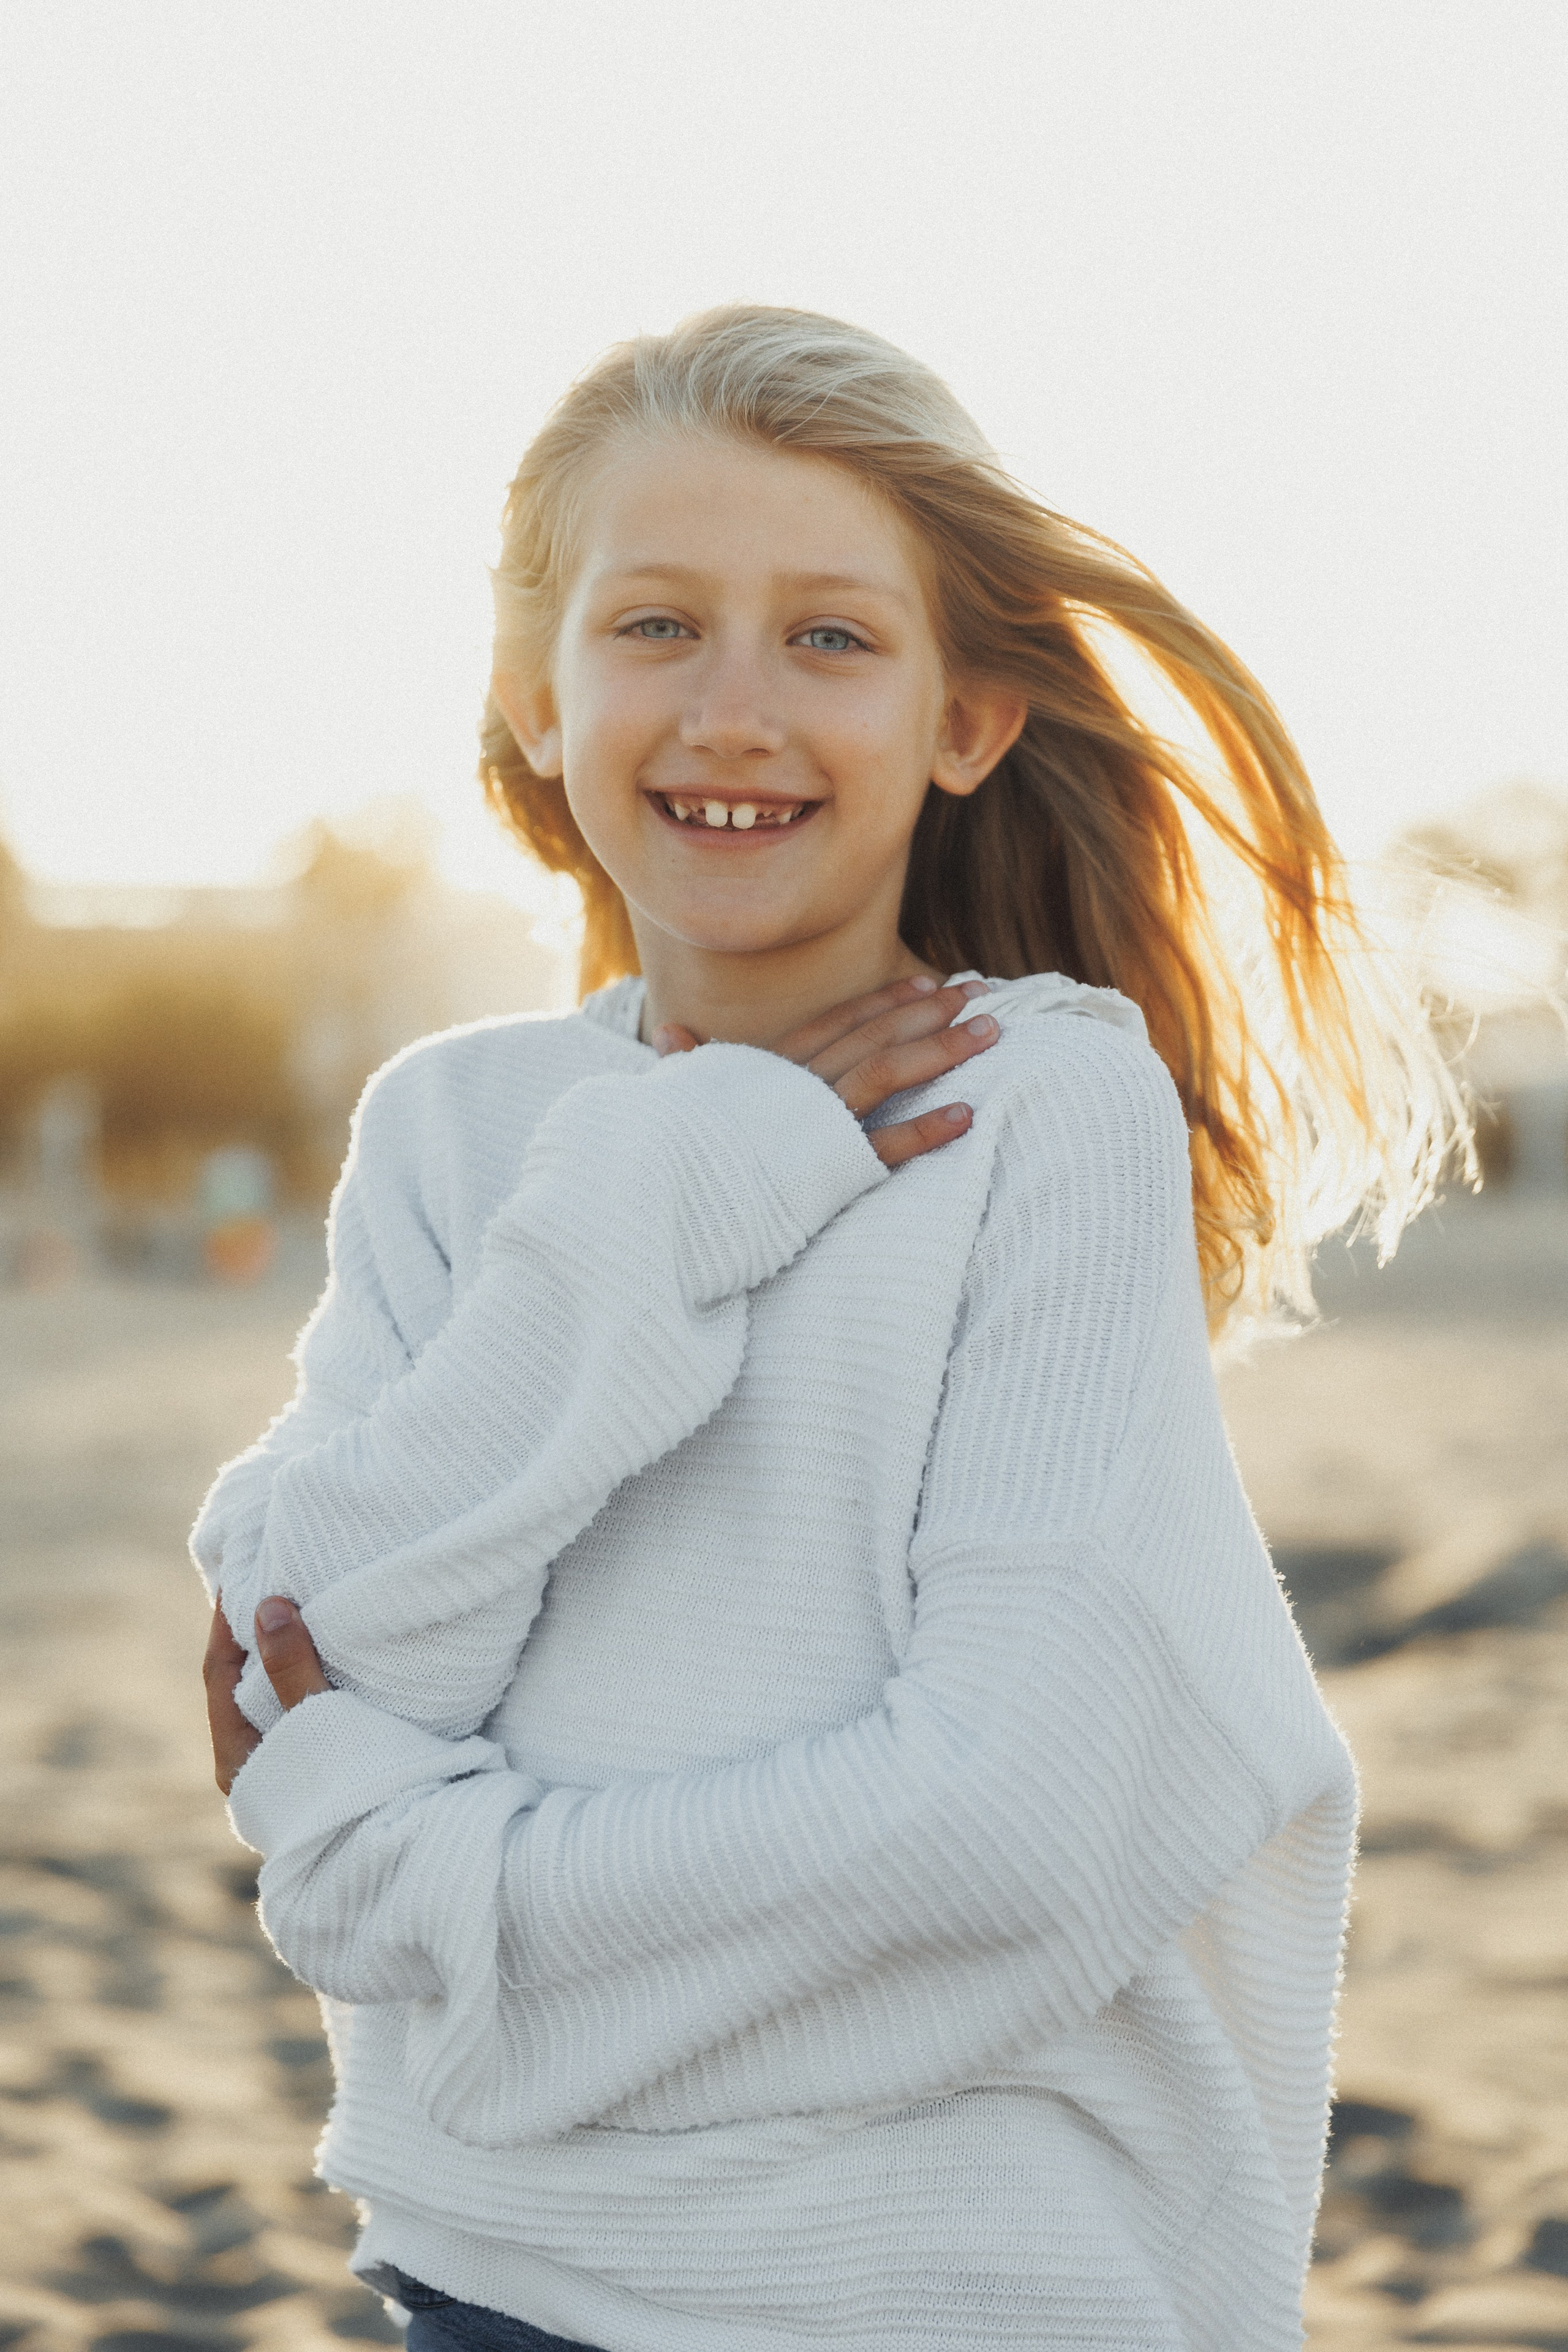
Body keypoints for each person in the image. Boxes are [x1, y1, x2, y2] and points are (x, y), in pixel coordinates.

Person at [197, 305, 1464, 2352]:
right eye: (657, 627)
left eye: (832, 639)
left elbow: (1005, 1828)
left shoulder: (1043, 1110)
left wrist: (427, 1899)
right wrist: (666, 1187)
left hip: (931, 2298)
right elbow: (324, 1634)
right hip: (496, 2288)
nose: (735, 710)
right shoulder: (457, 1132)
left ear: (966, 718)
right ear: (534, 697)